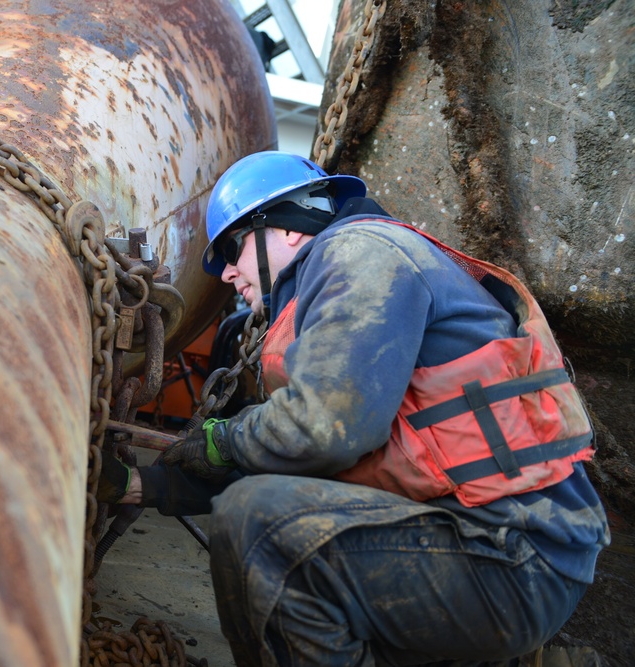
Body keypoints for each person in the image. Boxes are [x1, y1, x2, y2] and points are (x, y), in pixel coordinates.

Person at [97, 151, 609, 666]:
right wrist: (144, 486)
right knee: (264, 503)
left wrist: (228, 438)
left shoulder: (362, 255)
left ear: (287, 228)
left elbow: (324, 431)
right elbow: (311, 456)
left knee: (259, 526)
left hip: (514, 553)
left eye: (232, 248)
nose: (228, 273)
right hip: (476, 533)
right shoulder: (338, 277)